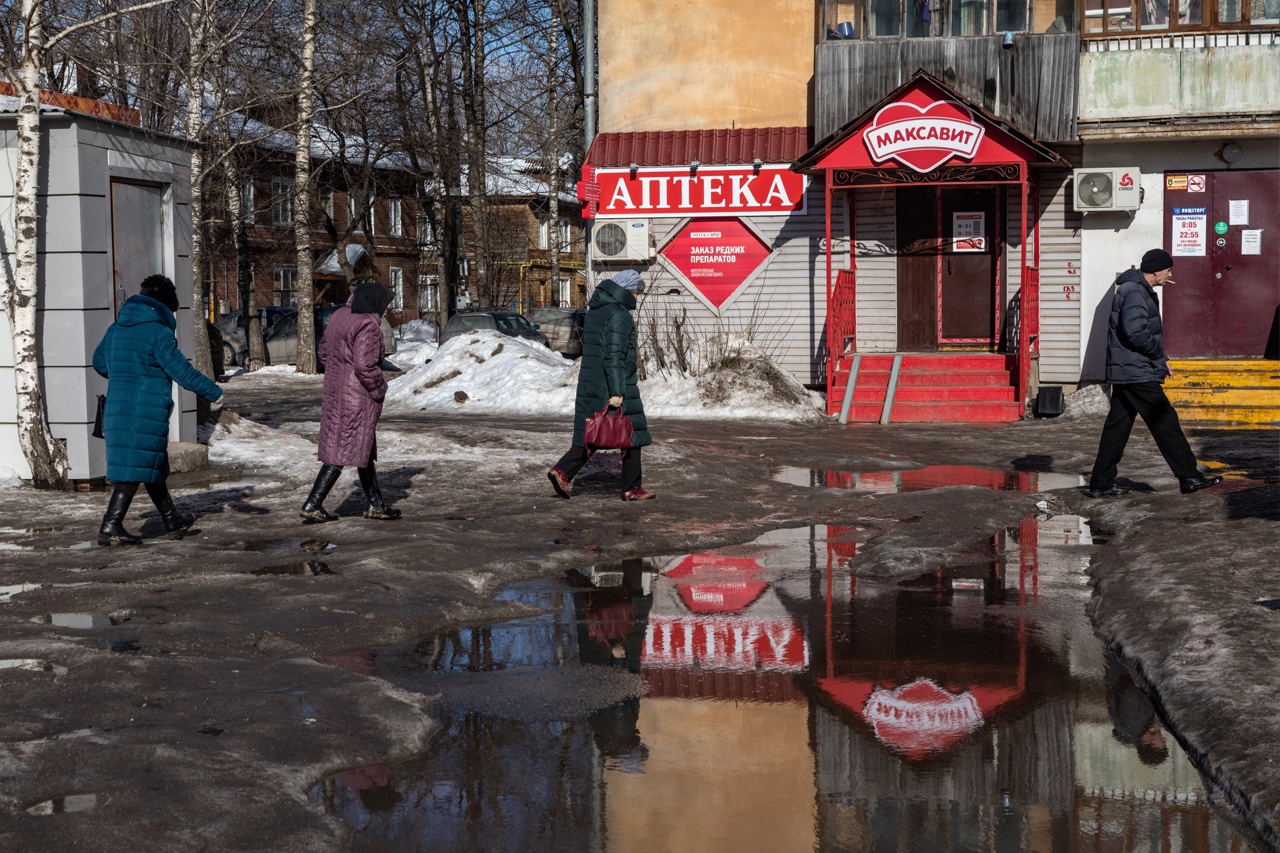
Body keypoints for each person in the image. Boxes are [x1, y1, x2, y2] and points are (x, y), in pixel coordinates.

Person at [92, 275, 223, 545]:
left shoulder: (115, 329)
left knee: (151, 466)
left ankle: (171, 520)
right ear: (165, 305)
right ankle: (111, 525)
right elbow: (181, 371)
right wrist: (213, 391)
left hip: (118, 408)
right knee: (133, 469)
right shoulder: (158, 333)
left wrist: (125, 373)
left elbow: (99, 363)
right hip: (145, 410)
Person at [1086, 249, 1222, 498]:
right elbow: (1136, 332)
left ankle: (1101, 482)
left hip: (1129, 369)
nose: (1170, 275)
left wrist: (1161, 359)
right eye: (1168, 270)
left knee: (1118, 425)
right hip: (1136, 371)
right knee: (1165, 420)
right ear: (1157, 270)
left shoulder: (1135, 289)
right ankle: (1189, 476)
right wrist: (1158, 356)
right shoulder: (1135, 292)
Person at [547, 269, 654, 501]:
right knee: (631, 431)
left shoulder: (597, 309)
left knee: (595, 431)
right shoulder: (619, 314)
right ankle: (631, 488)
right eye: (636, 292)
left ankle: (563, 471)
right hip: (612, 382)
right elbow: (613, 355)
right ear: (628, 291)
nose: (637, 297)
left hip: (593, 381)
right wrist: (617, 390)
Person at [300, 280, 402, 522]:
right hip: (357, 398)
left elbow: (324, 351)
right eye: (386, 304)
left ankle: (375, 503)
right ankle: (313, 503)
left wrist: (339, 372)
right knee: (342, 449)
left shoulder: (339, 316)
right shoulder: (367, 324)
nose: (386, 309)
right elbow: (364, 365)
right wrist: (379, 388)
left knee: (361, 447)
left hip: (337, 393)